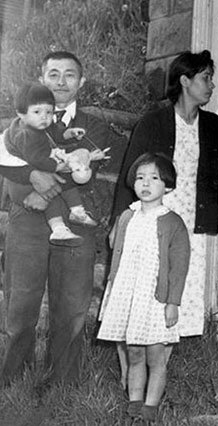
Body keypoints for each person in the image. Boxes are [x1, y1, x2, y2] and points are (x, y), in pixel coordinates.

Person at [112, 49, 218, 341]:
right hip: (152, 226)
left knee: (179, 297)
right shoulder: (152, 123)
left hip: (192, 230)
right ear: (185, 81)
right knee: (144, 294)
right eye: (206, 78)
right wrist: (119, 224)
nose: (211, 85)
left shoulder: (212, 125)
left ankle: (160, 371)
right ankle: (133, 373)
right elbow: (129, 178)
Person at [0, 51, 111, 386]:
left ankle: (61, 383)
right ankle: (12, 379)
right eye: (53, 74)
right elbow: (4, 164)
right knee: (21, 301)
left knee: (72, 307)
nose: (61, 82)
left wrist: (36, 180)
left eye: (69, 75)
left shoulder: (94, 128)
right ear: (41, 77)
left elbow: (84, 174)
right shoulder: (17, 124)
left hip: (75, 223)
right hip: (27, 221)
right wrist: (27, 186)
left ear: (82, 82)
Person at [98, 152, 189, 424]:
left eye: (154, 178)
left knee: (155, 355)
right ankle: (135, 401)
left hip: (155, 298)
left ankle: (151, 405)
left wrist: (172, 302)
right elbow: (117, 254)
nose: (145, 184)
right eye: (140, 178)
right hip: (128, 293)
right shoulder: (128, 216)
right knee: (134, 351)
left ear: (168, 186)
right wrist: (113, 290)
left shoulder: (173, 222)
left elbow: (179, 267)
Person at [2, 82, 98, 246]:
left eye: (49, 112)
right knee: (55, 188)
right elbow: (36, 159)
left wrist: (68, 134)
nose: (44, 117)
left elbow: (55, 132)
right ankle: (58, 228)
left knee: (64, 180)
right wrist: (56, 166)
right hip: (24, 178)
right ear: (21, 114)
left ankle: (76, 211)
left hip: (38, 165)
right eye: (37, 111)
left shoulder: (40, 124)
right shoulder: (25, 134)